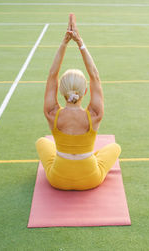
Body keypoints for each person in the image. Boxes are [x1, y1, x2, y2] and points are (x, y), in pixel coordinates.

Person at [35, 14, 121, 190]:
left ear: (60, 91)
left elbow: (52, 75)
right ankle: (90, 156)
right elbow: (95, 76)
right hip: (90, 178)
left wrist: (64, 43)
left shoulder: (52, 113)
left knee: (41, 142)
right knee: (115, 148)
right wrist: (80, 42)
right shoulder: (94, 115)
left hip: (58, 178)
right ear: (85, 92)